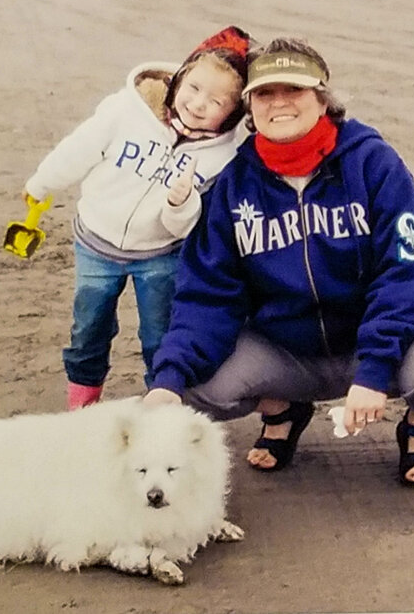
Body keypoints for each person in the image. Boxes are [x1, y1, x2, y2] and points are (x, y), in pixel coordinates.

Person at [143, 37, 414, 486]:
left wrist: (376, 368)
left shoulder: (373, 163)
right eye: (265, 93)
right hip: (284, 351)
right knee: (188, 388)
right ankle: (284, 408)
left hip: (370, 339)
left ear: (322, 97)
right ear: (249, 107)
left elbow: (404, 272)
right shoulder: (232, 185)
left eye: (295, 90)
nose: (279, 103)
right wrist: (168, 379)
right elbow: (207, 295)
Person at [22, 27, 254, 410]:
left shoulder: (221, 158)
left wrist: (180, 205)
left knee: (158, 335)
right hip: (96, 241)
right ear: (178, 79)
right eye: (193, 88)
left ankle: (161, 404)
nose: (198, 104)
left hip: (160, 254)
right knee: (89, 328)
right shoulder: (125, 111)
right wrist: (41, 183)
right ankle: (82, 403)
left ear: (232, 114)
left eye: (216, 101)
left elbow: (185, 228)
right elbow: (78, 150)